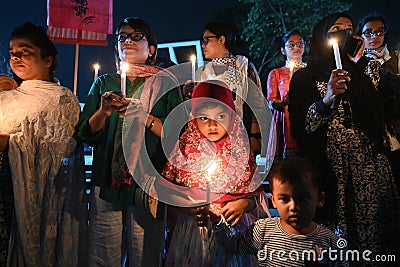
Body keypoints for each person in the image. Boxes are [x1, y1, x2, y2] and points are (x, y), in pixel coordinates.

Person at [289, 12, 400, 261]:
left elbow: (385, 111)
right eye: (337, 29)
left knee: (375, 237)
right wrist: (327, 98)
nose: (346, 35)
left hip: (370, 168)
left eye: (350, 30)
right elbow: (303, 128)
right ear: (322, 36)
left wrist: (362, 68)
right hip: (331, 170)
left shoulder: (363, 72)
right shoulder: (305, 77)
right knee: (339, 241)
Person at [76, 17, 182, 266]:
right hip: (107, 181)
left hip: (148, 184)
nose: (128, 41)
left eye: (136, 36)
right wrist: (102, 111)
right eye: (122, 37)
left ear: (152, 49)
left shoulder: (166, 83)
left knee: (146, 253)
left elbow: (178, 133)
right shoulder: (105, 83)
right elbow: (86, 133)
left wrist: (144, 117)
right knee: (103, 253)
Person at [161, 80, 268, 266]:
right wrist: (191, 210)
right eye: (204, 118)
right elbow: (169, 194)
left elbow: (257, 197)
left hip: (232, 228)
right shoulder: (186, 148)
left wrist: (243, 204)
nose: (212, 125)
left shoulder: (240, 150)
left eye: (220, 116)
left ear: (231, 115)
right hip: (194, 230)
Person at [0, 22, 81, 266]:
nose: (17, 57)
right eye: (13, 52)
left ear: (47, 59)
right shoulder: (7, 96)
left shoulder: (62, 98)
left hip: (43, 194)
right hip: (6, 193)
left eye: (25, 51)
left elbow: (58, 147)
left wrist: (9, 142)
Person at [210, 157, 348, 266]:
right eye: (285, 199)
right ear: (274, 200)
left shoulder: (329, 242)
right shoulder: (263, 230)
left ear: (320, 199)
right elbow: (233, 246)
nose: (294, 207)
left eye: (303, 198)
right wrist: (218, 222)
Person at [196, 21, 266, 156]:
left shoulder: (243, 67)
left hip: (238, 136)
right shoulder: (202, 72)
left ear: (221, 40)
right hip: (208, 138)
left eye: (206, 40)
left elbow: (257, 105)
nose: (203, 45)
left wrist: (255, 136)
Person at [356, 14, 400, 192]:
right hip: (367, 133)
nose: (374, 37)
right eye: (368, 32)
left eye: (379, 32)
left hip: (395, 130)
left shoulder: (394, 61)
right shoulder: (356, 64)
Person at [266, 30, 306, 160]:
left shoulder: (311, 71)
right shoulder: (276, 73)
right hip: (286, 121)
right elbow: (271, 101)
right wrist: (283, 102)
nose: (296, 47)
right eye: (291, 45)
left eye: (300, 44)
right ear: (283, 50)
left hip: (308, 117)